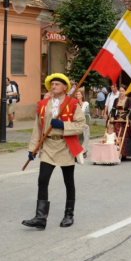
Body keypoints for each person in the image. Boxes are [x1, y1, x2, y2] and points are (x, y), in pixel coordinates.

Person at [22, 73, 85, 229]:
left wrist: (63, 125)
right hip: (48, 145)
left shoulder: (73, 104)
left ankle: (69, 215)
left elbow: (80, 125)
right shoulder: (43, 104)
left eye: (57, 84)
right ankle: (40, 218)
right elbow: (37, 128)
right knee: (42, 180)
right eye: (52, 84)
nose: (54, 86)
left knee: (68, 182)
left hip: (65, 146)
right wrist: (32, 148)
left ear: (64, 88)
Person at [109, 84, 131, 160]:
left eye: (123, 91)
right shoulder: (116, 100)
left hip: (125, 120)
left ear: (125, 91)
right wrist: (112, 116)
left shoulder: (128, 100)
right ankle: (114, 152)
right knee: (114, 134)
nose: (121, 92)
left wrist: (125, 117)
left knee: (124, 135)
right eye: (120, 91)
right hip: (117, 119)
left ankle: (124, 153)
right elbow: (113, 110)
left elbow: (130, 111)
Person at [75, 88, 91, 155]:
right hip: (77, 122)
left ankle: (85, 150)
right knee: (77, 136)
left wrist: (86, 123)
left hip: (84, 122)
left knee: (85, 135)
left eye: (79, 94)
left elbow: (87, 114)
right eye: (77, 94)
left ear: (82, 96)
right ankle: (78, 150)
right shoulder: (75, 104)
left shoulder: (86, 104)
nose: (78, 95)